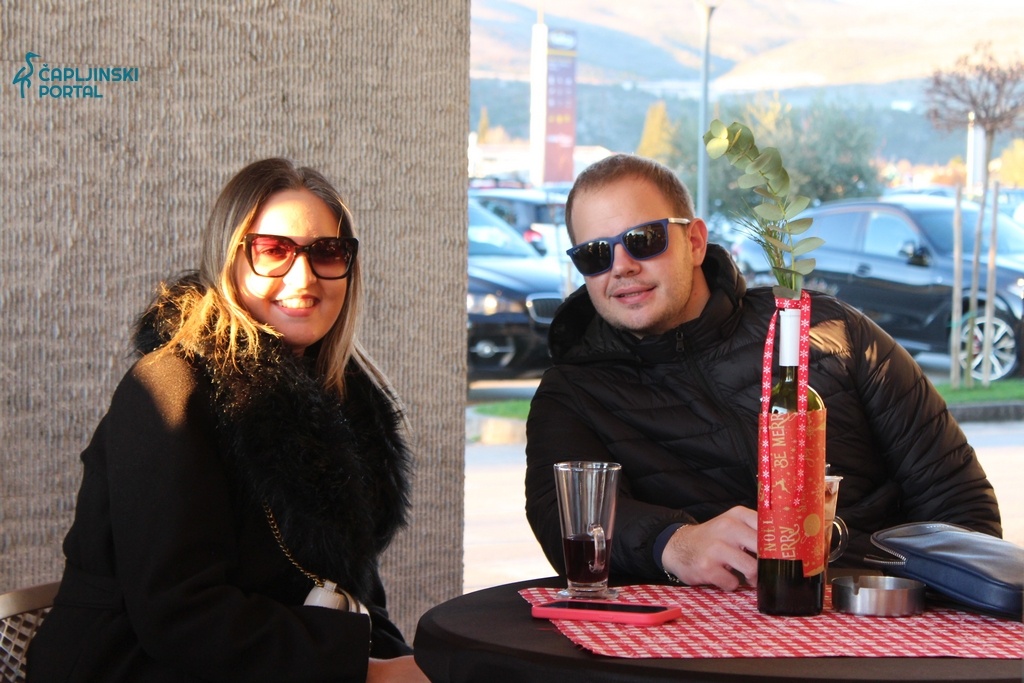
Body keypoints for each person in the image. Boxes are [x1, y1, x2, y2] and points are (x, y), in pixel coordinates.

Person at [29, 158, 428, 682]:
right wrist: (366, 673)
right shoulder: (170, 388)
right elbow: (179, 613)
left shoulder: (343, 397)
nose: (304, 278)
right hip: (133, 664)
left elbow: (349, 589)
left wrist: (401, 661)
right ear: (229, 259)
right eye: (273, 251)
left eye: (327, 252)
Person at [524, 153, 1002, 591]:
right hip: (712, 641)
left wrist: (912, 616)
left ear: (694, 241)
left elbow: (960, 507)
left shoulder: (828, 330)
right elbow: (562, 515)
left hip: (885, 620)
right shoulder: (573, 391)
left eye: (642, 240)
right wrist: (674, 543)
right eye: (594, 254)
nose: (621, 266)